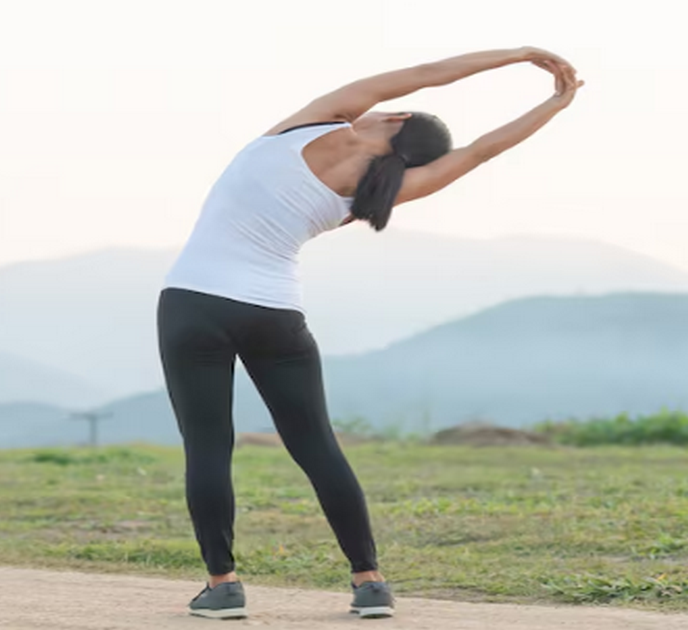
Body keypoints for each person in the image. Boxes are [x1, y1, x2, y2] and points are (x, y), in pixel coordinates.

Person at [157, 47, 582, 620]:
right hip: (276, 314)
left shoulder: (314, 120)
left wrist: (520, 55)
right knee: (317, 447)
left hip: (193, 304)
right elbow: (483, 151)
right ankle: (369, 582)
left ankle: (223, 585)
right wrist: (557, 104)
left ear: (397, 118)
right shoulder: (381, 191)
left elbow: (429, 74)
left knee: (208, 445)